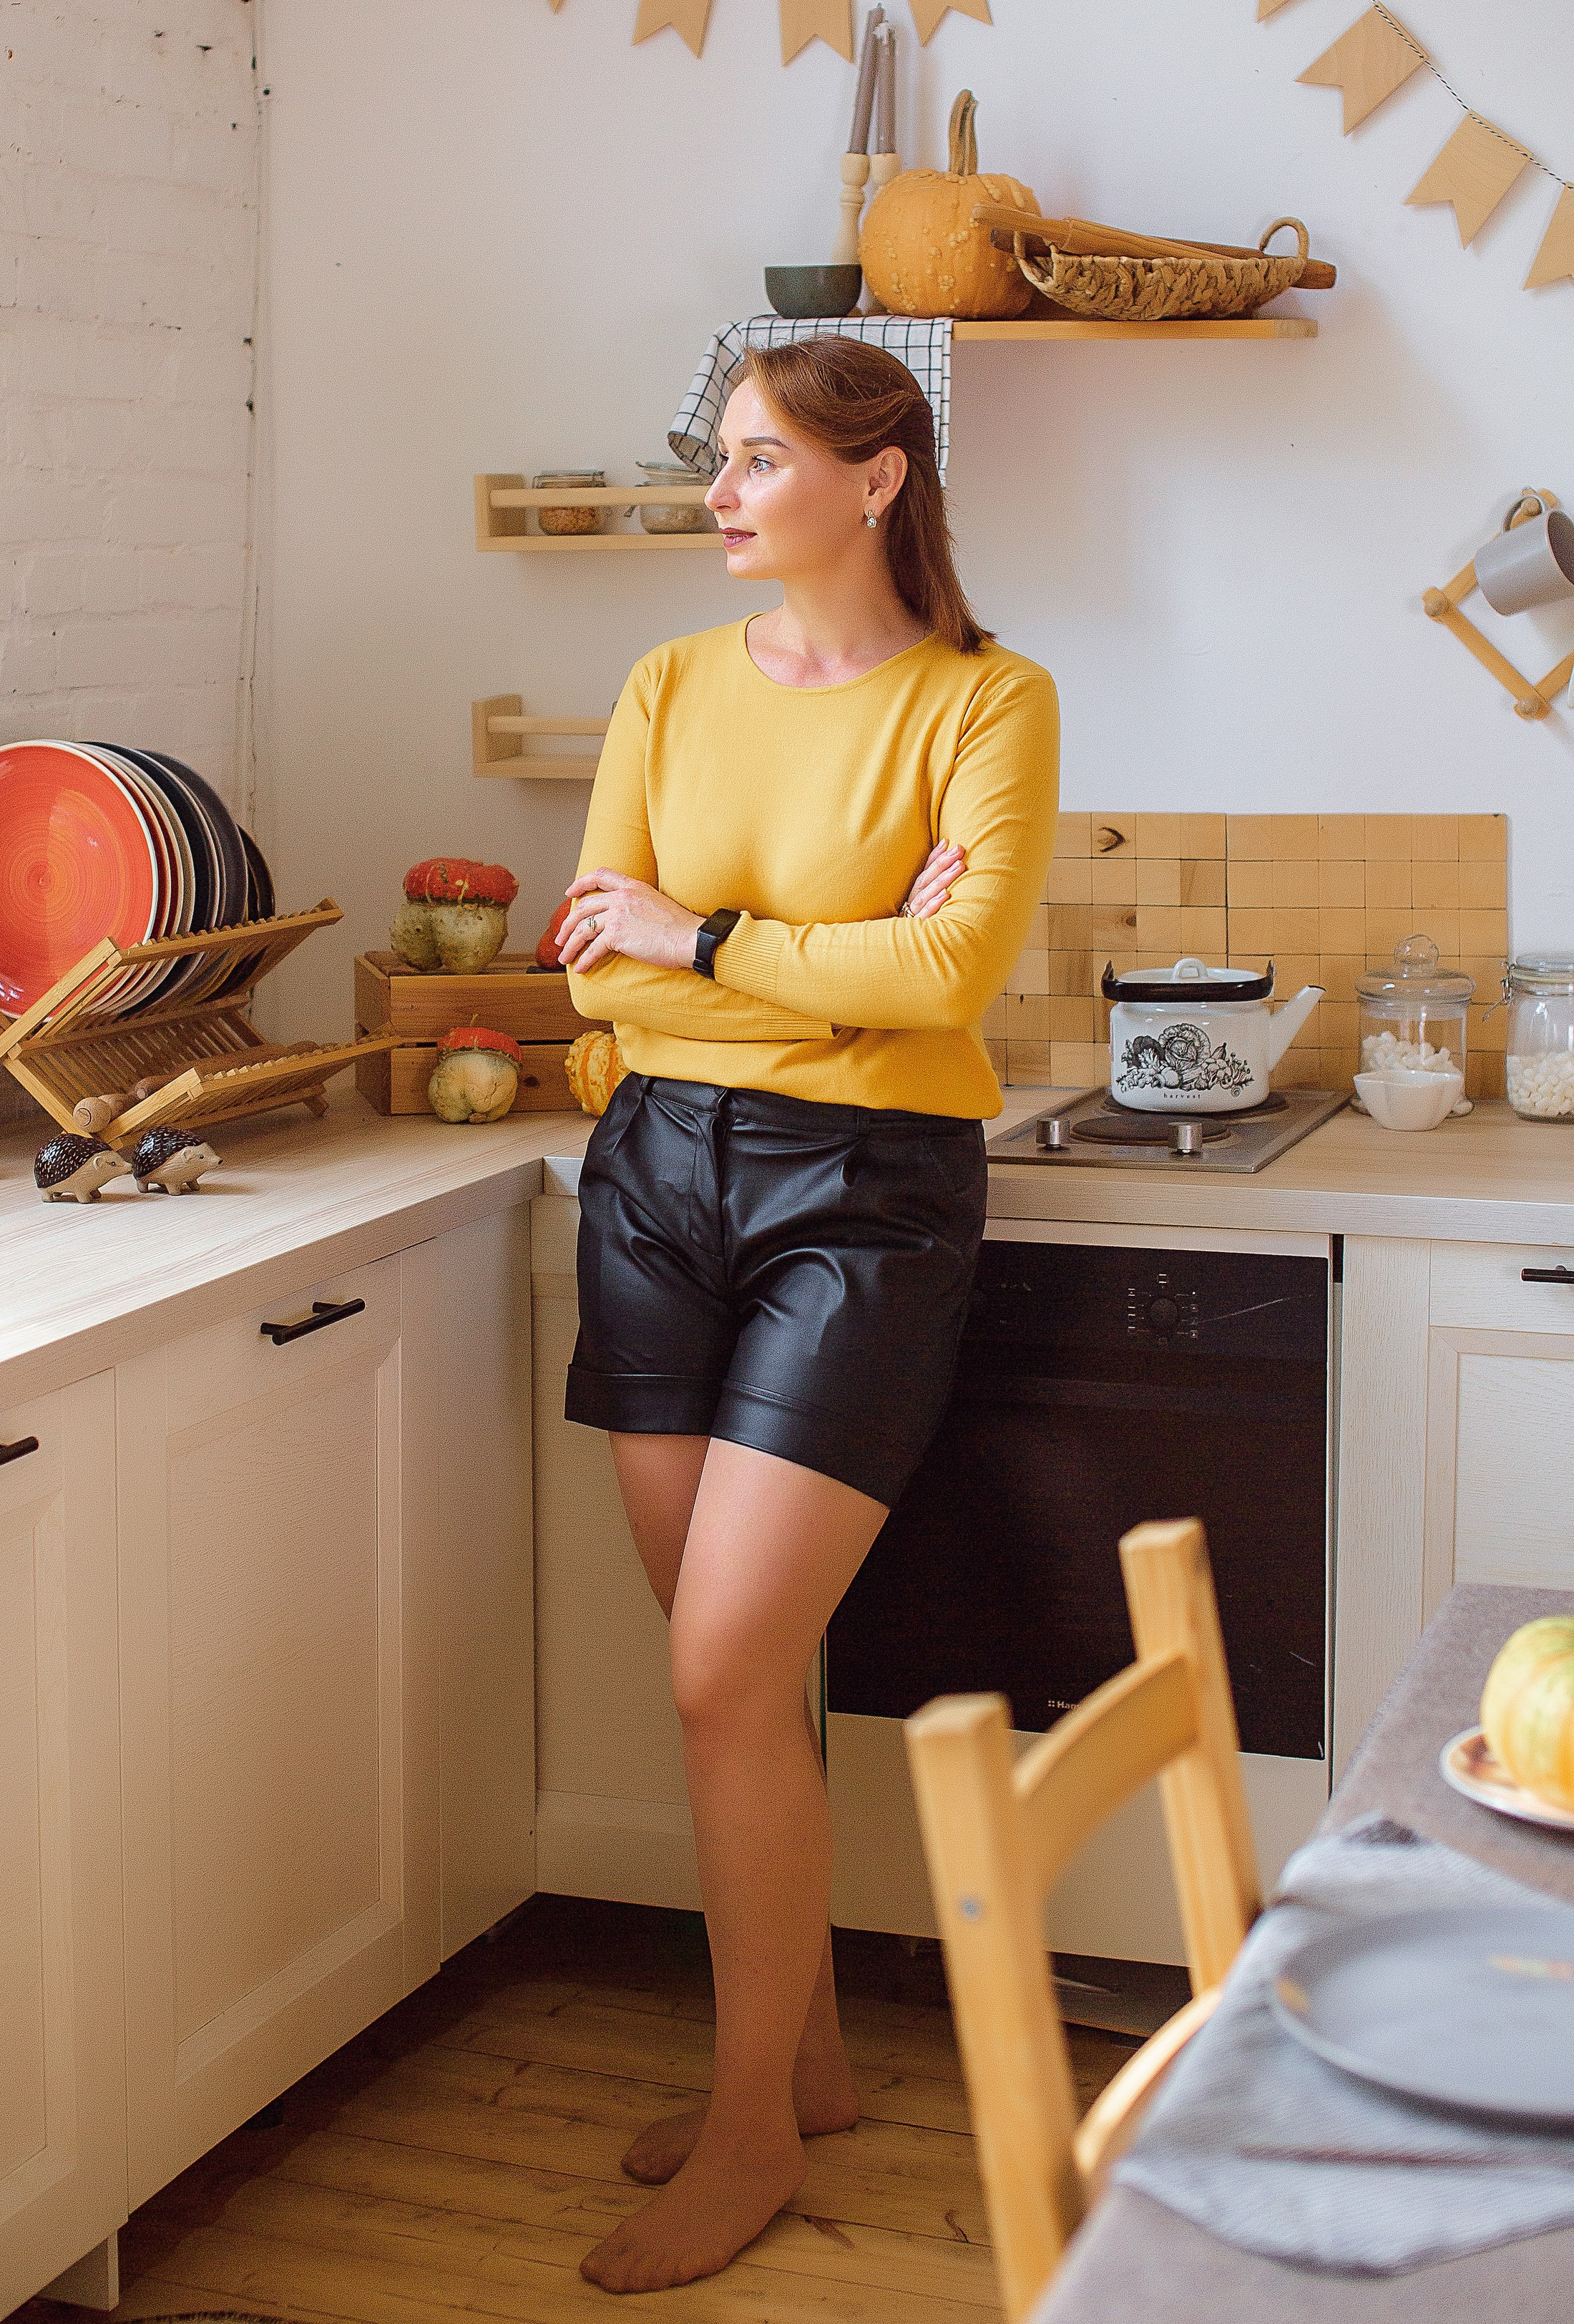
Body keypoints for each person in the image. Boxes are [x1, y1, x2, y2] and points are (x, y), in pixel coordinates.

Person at [553, 333, 1060, 2293]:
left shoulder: (985, 701)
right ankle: (816, 2060)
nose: (722, 490)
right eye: (720, 457)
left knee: (718, 1672)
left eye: (759, 457)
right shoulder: (668, 685)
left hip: (866, 1203)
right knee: (739, 1684)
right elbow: (597, 980)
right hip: (658, 1179)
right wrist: (810, 975)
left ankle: (750, 2129)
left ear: (878, 475)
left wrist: (705, 943)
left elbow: (954, 981)